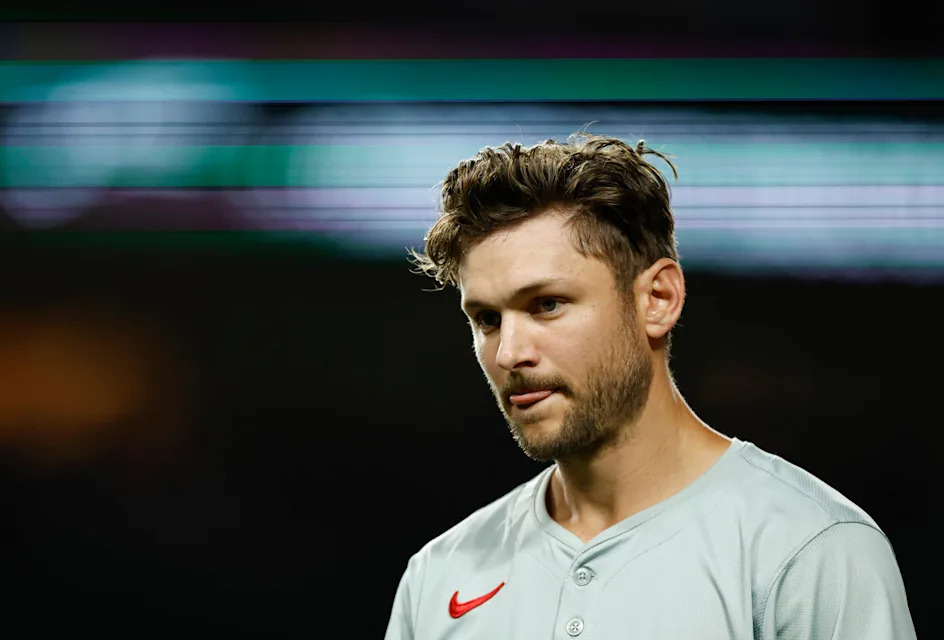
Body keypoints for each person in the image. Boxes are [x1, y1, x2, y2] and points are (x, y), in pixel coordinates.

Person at [384, 134, 916, 639]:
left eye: (547, 304)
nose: (508, 353)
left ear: (657, 299)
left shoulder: (811, 548)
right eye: (487, 319)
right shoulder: (439, 575)